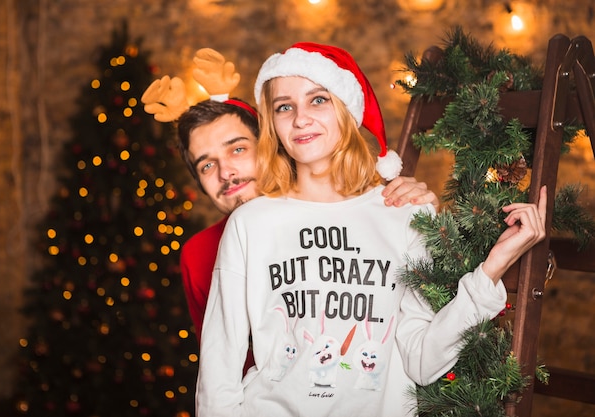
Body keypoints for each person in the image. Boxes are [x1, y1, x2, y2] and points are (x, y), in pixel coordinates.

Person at [195, 42, 547, 417]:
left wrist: (493, 267)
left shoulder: (403, 213)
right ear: (273, 124)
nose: (300, 119)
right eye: (285, 107)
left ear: (346, 108)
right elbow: (220, 365)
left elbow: (424, 361)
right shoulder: (251, 223)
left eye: (318, 100)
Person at [175, 98, 439, 343]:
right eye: (206, 166)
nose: (225, 172)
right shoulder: (198, 255)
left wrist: (430, 227)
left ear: (269, 146)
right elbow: (222, 361)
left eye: (238, 149)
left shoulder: (352, 211)